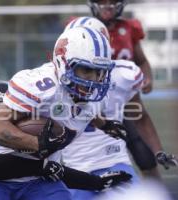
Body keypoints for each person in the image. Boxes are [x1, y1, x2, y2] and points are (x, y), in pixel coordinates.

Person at [0, 26, 133, 200]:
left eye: (99, 71)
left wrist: (105, 124)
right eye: (86, 70)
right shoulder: (42, 87)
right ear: (63, 62)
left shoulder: (94, 97)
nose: (94, 80)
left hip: (42, 178)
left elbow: (81, 110)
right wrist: (36, 143)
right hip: (1, 175)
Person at [67, 12, 177, 179]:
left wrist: (158, 151)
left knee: (142, 158)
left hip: (112, 158)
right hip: (71, 161)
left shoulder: (123, 74)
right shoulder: (53, 77)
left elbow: (139, 116)